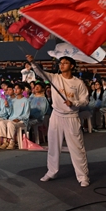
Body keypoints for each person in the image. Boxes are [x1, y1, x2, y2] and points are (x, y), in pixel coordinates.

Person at [26, 54, 90, 187]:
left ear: (72, 66)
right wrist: (33, 62)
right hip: (56, 116)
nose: (62, 65)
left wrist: (73, 103)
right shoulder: (55, 78)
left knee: (77, 148)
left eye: (65, 63)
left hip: (71, 117)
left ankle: (83, 176)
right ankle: (51, 171)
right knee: (53, 146)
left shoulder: (78, 83)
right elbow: (40, 72)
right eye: (60, 63)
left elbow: (85, 101)